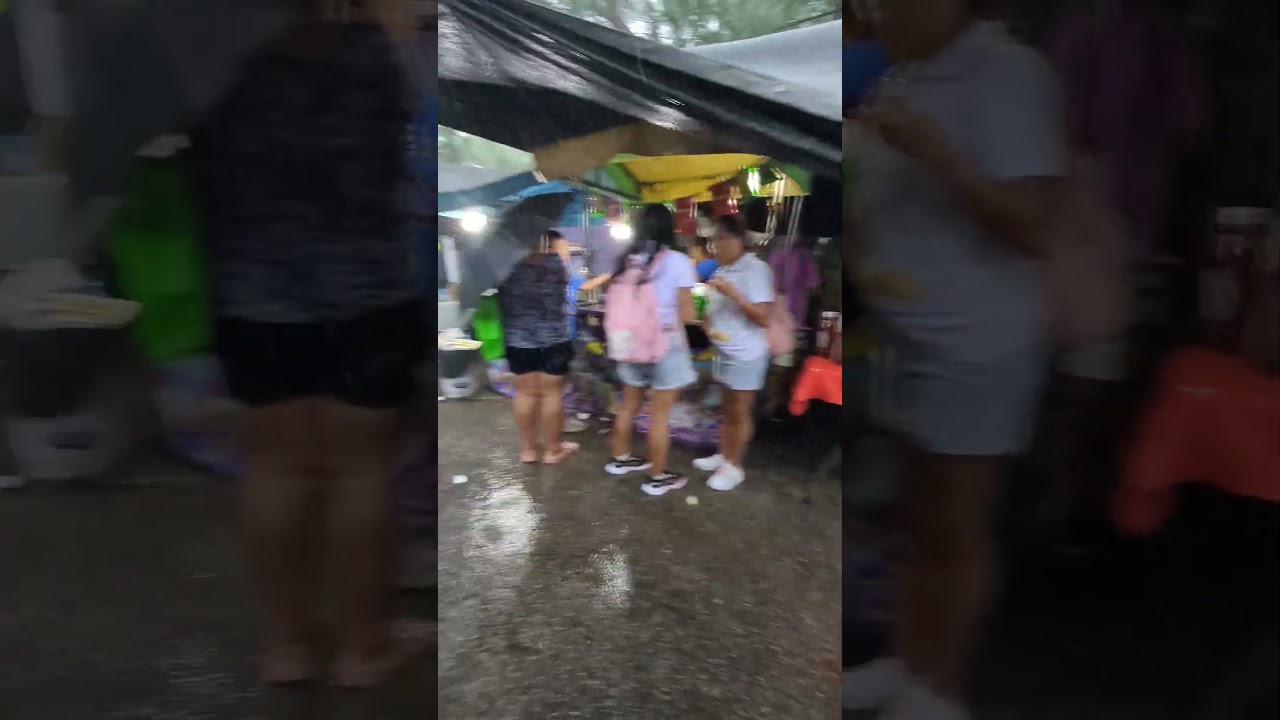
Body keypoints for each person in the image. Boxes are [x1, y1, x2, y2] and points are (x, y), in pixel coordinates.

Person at [192, 0, 426, 688]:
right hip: (368, 295)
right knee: (361, 470)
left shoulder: (208, 62)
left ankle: (288, 646)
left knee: (275, 466)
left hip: (253, 298)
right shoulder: (377, 52)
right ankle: (365, 646)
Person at [844, 1, 1066, 717]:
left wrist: (938, 154)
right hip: (909, 331)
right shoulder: (904, 74)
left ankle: (941, 689)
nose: (873, 11)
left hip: (976, 341)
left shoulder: (1009, 73)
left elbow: (1033, 227)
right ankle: (905, 664)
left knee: (956, 528)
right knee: (914, 517)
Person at [604, 204, 699, 496]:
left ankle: (620, 460)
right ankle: (657, 477)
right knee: (659, 416)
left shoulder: (626, 261)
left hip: (629, 344)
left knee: (628, 405)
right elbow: (687, 315)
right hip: (664, 346)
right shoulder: (678, 262)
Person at [693, 215, 777, 491]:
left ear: (739, 239)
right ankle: (724, 454)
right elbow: (714, 311)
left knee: (740, 412)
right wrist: (704, 317)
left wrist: (734, 295)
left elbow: (764, 317)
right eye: (713, 240)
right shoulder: (721, 271)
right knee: (726, 408)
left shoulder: (756, 269)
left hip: (746, 354)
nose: (716, 245)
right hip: (723, 349)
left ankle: (735, 466)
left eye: (721, 239)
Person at [498, 231, 580, 464]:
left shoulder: (505, 267)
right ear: (544, 240)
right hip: (554, 339)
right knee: (551, 394)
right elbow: (565, 284)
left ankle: (528, 450)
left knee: (524, 393)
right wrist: (558, 252)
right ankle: (553, 450)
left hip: (517, 340)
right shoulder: (557, 264)